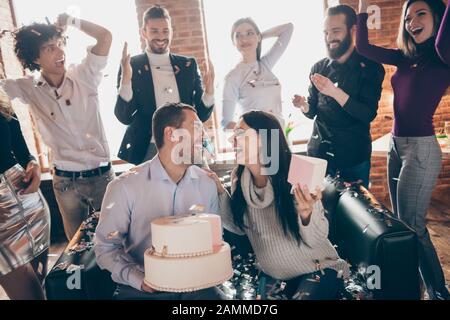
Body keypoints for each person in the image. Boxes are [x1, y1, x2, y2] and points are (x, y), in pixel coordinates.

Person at [356, 0, 450, 300]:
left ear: (438, 17)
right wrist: (362, 6)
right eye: (408, 17)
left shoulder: (442, 57)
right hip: (396, 147)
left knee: (414, 225)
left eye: (420, 14)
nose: (412, 22)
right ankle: (416, 288)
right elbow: (363, 48)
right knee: (401, 223)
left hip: (421, 150)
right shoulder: (404, 57)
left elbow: (443, 37)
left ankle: (438, 292)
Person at [207, 110, 349, 300]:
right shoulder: (239, 178)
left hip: (319, 270)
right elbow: (239, 227)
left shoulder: (296, 172)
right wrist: (218, 190)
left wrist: (307, 214)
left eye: (240, 133)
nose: (232, 139)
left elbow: (317, 239)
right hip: (274, 275)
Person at [0, 14, 115, 241]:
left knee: (116, 240)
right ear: (35, 57)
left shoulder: (85, 75)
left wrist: (71, 21)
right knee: (76, 250)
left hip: (103, 178)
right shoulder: (29, 88)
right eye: (50, 48)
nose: (60, 52)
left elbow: (105, 36)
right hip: (65, 185)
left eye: (60, 44)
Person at [95, 102, 226, 300]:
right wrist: (138, 278)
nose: (204, 138)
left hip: (198, 287)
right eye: (197, 129)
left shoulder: (207, 183)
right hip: (142, 289)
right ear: (171, 134)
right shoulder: (124, 187)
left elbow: (214, 240)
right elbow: (105, 247)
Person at [292, 5, 385, 189]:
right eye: (326, 32)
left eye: (335, 31)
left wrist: (334, 92)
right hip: (318, 156)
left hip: (353, 158)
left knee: (353, 213)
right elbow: (312, 112)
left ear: (353, 30)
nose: (329, 38)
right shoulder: (318, 68)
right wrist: (303, 105)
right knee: (314, 211)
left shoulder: (372, 68)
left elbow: (367, 114)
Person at [116, 5, 216, 165]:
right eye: (154, 31)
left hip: (187, 144)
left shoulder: (187, 65)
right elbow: (124, 117)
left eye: (165, 31)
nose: (161, 36)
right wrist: (126, 82)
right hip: (149, 148)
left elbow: (202, 115)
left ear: (171, 31)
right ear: (144, 32)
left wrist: (209, 91)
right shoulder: (131, 65)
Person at [0, 82, 50, 300]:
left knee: (44, 289)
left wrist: (33, 165)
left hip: (30, 203)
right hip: (2, 222)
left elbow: (21, 150)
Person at [221, 18, 294, 130]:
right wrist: (252, 136)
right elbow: (226, 123)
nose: (244, 38)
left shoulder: (266, 64)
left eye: (249, 33)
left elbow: (288, 28)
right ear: (233, 42)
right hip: (257, 139)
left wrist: (259, 36)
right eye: (238, 35)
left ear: (258, 37)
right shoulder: (232, 77)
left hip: (280, 134)